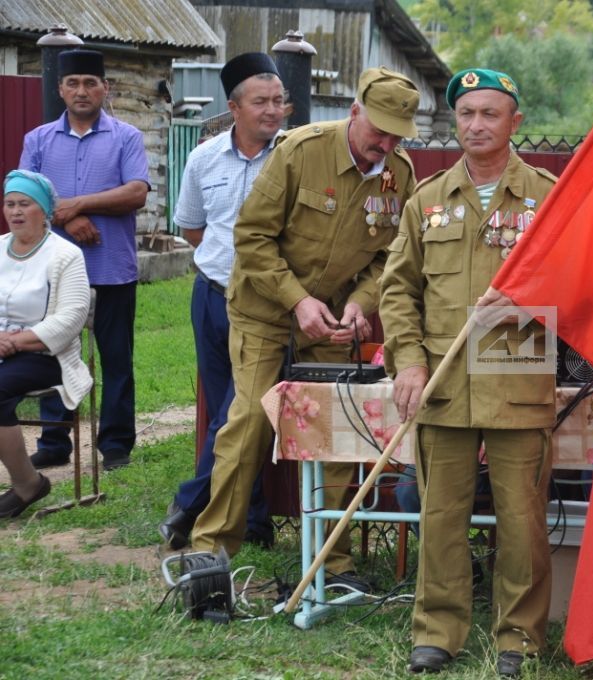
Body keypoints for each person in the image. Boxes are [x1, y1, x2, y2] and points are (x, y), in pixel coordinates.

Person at [187, 67, 421, 587]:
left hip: (333, 323)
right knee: (248, 421)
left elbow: (392, 257)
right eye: (377, 130)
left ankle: (330, 559)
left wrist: (362, 302)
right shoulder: (298, 150)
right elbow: (251, 238)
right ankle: (210, 552)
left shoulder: (398, 174)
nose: (383, 145)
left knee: (336, 433)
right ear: (354, 112)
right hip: (264, 310)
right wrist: (297, 302)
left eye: (395, 136)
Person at [380, 68, 558, 677]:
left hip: (517, 370)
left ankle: (519, 638)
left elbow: (584, 282)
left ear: (515, 122)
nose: (476, 125)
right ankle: (437, 630)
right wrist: (407, 361)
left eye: (490, 113)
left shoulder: (548, 197)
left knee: (522, 519)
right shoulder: (426, 199)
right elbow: (397, 290)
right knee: (441, 512)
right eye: (466, 114)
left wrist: (532, 300)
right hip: (443, 379)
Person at [158, 53, 286, 551]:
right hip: (212, 294)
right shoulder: (203, 157)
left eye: (279, 101)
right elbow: (193, 227)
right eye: (261, 102)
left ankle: (189, 504)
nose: (273, 111)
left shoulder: (293, 155)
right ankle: (252, 519)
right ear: (234, 107)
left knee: (241, 411)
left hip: (266, 306)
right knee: (224, 410)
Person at [20, 49, 150, 471]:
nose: (81, 91)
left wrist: (75, 206)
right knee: (53, 350)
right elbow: (27, 197)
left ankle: (115, 444)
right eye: (73, 83)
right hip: (54, 271)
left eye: (90, 83)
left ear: (104, 88)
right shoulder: (38, 140)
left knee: (116, 358)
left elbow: (136, 193)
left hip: (112, 267)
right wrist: (70, 219)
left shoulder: (126, 137)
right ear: (60, 89)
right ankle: (54, 441)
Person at [0, 170, 91, 518]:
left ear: (45, 211)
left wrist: (14, 342)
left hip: (44, 354)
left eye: (25, 203)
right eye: (10, 204)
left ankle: (27, 484)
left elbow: (71, 318)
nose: (15, 211)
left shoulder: (64, 256)